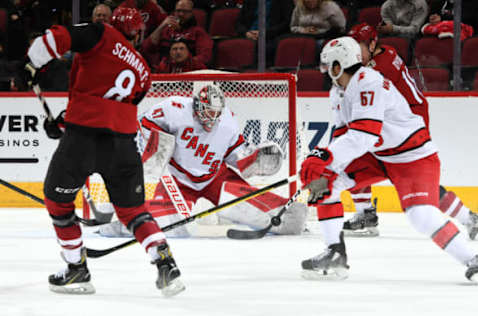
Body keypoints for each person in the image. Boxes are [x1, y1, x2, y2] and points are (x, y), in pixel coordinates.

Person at [24, 7, 185, 297]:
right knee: (134, 211)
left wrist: (34, 62)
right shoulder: (144, 72)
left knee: (58, 203)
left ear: (112, 23)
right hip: (123, 144)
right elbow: (112, 104)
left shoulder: (101, 34)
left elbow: (56, 38)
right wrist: (64, 121)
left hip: (83, 140)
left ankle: (76, 269)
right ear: (138, 34)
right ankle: (166, 264)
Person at [299, 36, 478, 282]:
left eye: (327, 65)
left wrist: (325, 157)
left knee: (421, 215)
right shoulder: (338, 91)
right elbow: (344, 133)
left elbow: (363, 135)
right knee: (325, 184)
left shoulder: (369, 82)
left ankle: (473, 259)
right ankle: (335, 253)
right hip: (379, 156)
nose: (325, 72)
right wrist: (326, 165)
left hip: (412, 156)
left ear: (337, 66)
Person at [98, 84, 308, 238]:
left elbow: (238, 157)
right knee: (175, 230)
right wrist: (158, 146)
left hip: (216, 177)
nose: (212, 117)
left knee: (289, 220)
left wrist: (256, 161)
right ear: (197, 106)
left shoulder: (227, 122)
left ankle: (284, 212)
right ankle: (123, 225)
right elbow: (144, 123)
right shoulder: (175, 107)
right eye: (208, 111)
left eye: (216, 113)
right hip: (178, 181)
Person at [343, 23, 478, 240]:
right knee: (351, 158)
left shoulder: (380, 68)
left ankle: (469, 218)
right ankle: (366, 214)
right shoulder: (382, 54)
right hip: (400, 121)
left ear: (372, 44)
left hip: (407, 125)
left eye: (358, 46)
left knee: (414, 180)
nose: (353, 52)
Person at [141, 0, 213, 68]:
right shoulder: (166, 31)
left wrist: (181, 63)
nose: (181, 14)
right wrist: (161, 26)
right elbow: (147, 48)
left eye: (185, 11)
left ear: (191, 13)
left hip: (188, 71)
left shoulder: (198, 32)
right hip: (165, 71)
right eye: (178, 11)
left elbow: (205, 57)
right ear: (174, 12)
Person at [235, 0, 294, 65]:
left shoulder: (285, 2)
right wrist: (246, 33)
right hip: (249, 36)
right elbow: (239, 22)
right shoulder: (250, 1)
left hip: (271, 37)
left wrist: (265, 33)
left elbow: (286, 24)